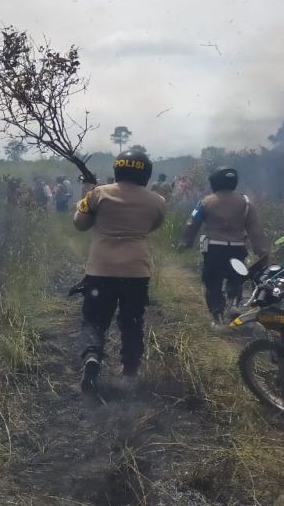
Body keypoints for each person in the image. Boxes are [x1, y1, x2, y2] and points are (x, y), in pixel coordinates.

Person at [74, 149, 167, 390]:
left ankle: (92, 356)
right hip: (136, 273)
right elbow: (152, 226)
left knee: (94, 320)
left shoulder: (98, 194)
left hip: (100, 271)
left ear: (118, 168)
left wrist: (86, 194)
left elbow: (80, 224)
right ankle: (129, 373)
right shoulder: (157, 201)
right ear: (146, 173)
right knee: (132, 323)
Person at [177, 166, 270, 325]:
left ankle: (218, 317)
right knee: (236, 279)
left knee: (213, 282)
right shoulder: (246, 202)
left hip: (214, 249)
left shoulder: (206, 201)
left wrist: (185, 242)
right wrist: (262, 252)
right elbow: (255, 229)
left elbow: (192, 223)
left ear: (215, 181)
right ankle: (233, 303)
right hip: (237, 248)